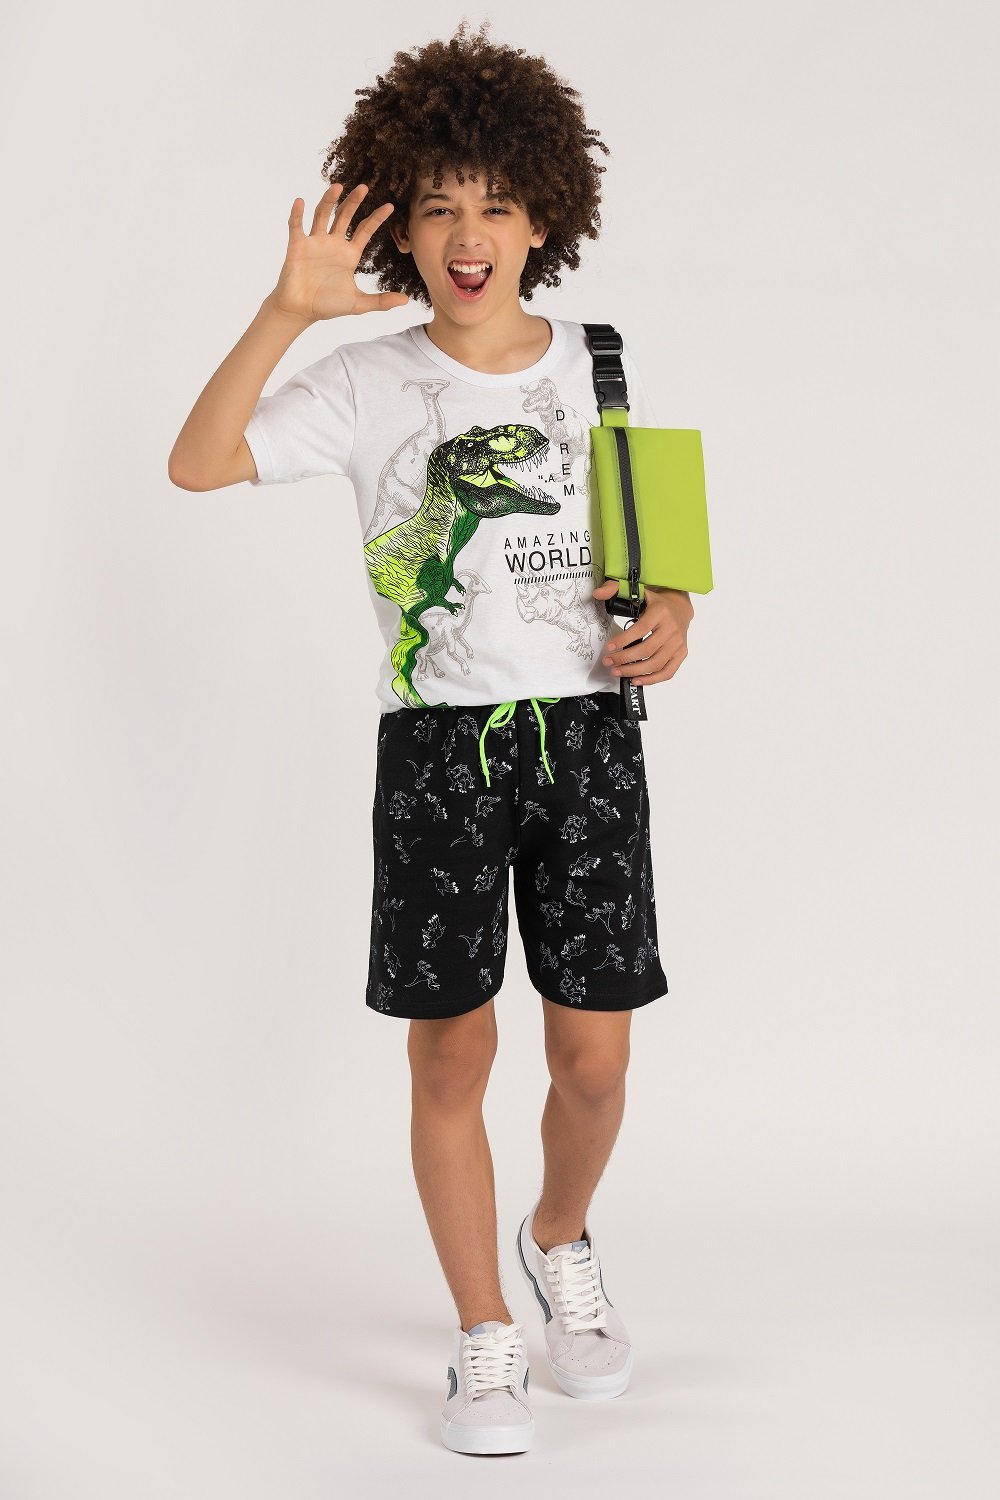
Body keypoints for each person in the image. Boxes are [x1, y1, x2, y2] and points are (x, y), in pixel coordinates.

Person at [168, 18, 695, 1458]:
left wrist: (673, 614)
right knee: (451, 1058)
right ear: (400, 225)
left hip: (588, 744)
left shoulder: (600, 363)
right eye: (441, 206)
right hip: (439, 757)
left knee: (595, 1063)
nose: (471, 236)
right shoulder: (366, 383)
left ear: (545, 218)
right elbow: (198, 463)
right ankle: (482, 1335)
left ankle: (558, 1235)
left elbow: (661, 561)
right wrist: (287, 311)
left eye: (499, 205)